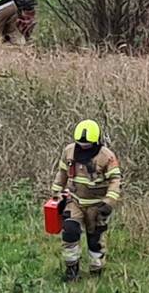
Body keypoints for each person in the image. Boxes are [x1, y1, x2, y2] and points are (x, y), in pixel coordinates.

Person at [50, 119, 123, 281]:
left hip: (96, 206)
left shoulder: (107, 156)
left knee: (95, 240)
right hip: (74, 201)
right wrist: (56, 192)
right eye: (80, 144)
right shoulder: (69, 151)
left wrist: (108, 203)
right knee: (70, 231)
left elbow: (115, 181)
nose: (83, 148)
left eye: (87, 145)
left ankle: (96, 270)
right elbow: (62, 172)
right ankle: (72, 270)